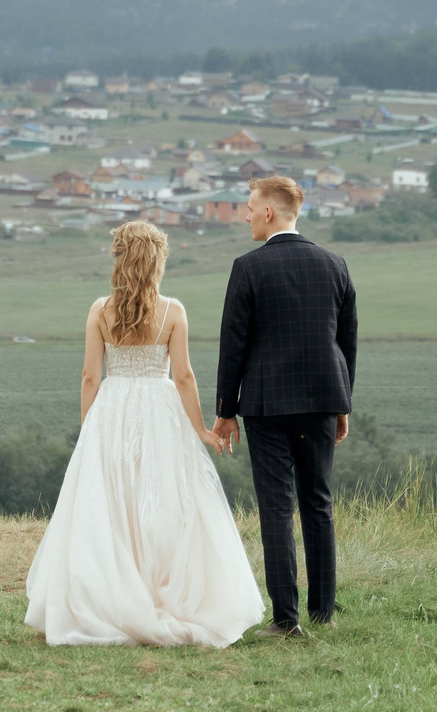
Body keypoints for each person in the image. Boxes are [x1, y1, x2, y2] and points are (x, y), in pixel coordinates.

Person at [24, 221, 266, 647]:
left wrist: (89, 430)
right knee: (164, 500)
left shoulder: (100, 309)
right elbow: (186, 376)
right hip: (160, 409)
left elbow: (88, 377)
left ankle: (109, 598)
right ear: (157, 262)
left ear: (120, 260)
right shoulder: (173, 310)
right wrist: (200, 429)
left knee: (111, 504)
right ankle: (162, 590)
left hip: (112, 411)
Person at [212, 175, 357, 637]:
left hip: (266, 402)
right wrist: (343, 403)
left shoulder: (248, 268)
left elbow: (232, 344)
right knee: (318, 501)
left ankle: (286, 620)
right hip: (322, 397)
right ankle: (324, 612)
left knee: (277, 506)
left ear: (270, 213)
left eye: (251, 207)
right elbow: (345, 341)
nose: (248, 214)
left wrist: (224, 409)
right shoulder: (335, 265)